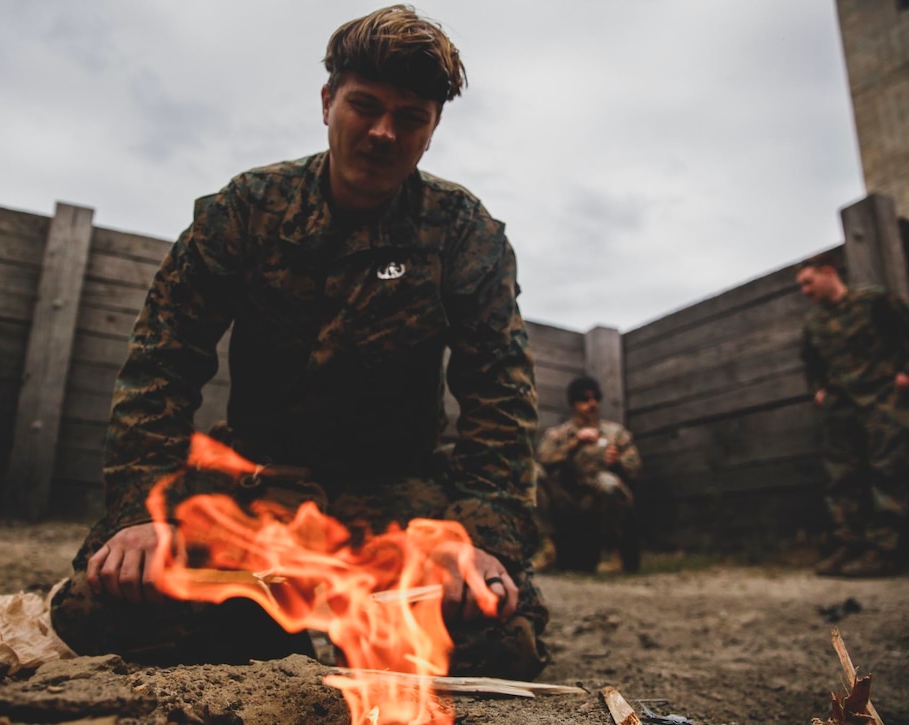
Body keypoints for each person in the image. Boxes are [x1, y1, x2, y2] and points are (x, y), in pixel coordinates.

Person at [49, 5, 549, 680]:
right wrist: (142, 511)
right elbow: (162, 362)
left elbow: (500, 394)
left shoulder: (463, 231)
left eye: (409, 117)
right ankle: (259, 617)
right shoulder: (247, 209)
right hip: (255, 482)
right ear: (326, 102)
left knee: (495, 635)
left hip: (398, 495)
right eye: (364, 105)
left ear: (432, 130)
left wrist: (476, 538)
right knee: (99, 609)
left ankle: (340, 619)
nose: (382, 132)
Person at [797, 250, 909, 577]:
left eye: (808, 282)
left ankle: (881, 552)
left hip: (882, 400)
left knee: (889, 471)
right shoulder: (814, 322)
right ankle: (848, 545)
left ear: (829, 272)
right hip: (842, 410)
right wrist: (819, 389)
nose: (805, 291)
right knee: (842, 477)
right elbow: (810, 361)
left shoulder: (874, 302)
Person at [535, 376, 642, 573]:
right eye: (584, 399)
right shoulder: (558, 434)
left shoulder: (615, 433)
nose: (591, 404)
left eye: (595, 398)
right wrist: (573, 445)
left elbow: (635, 467)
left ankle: (611, 552)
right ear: (573, 403)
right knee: (532, 474)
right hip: (566, 496)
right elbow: (544, 461)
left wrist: (617, 461)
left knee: (608, 483)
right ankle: (546, 547)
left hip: (600, 496)